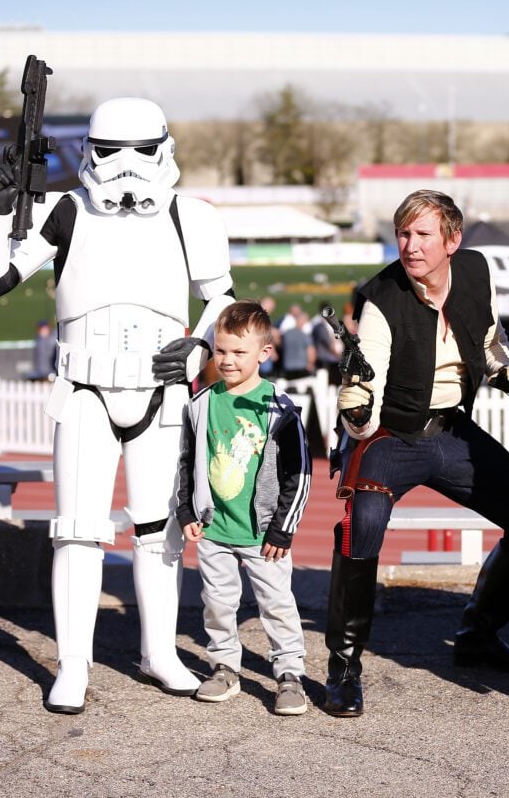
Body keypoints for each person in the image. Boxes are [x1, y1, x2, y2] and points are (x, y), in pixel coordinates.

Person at [0, 97, 235, 714]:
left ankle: (160, 653)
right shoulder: (67, 210)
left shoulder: (192, 216)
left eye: (141, 149)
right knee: (78, 533)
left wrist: (200, 349)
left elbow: (222, 298)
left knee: (158, 532)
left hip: (159, 391)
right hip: (84, 388)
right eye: (110, 149)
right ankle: (73, 666)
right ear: (89, 148)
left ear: (164, 148)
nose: (125, 165)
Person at [322, 189, 509, 718]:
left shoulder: (476, 269)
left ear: (452, 241)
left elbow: (488, 328)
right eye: (403, 233)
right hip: (389, 437)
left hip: (452, 431)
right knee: (360, 530)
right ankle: (342, 667)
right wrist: (356, 411)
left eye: (422, 234)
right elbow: (368, 375)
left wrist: (498, 365)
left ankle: (478, 635)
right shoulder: (380, 298)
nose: (409, 245)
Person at [176, 299, 311, 715]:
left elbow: (299, 474)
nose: (228, 360)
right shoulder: (200, 404)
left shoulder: (280, 409)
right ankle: (224, 667)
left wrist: (282, 529)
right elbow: (185, 463)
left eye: (239, 352)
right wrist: (186, 512)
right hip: (214, 530)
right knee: (217, 604)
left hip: (264, 534)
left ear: (263, 354)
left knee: (277, 605)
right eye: (221, 350)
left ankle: (289, 675)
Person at [277, 304, 316, 382]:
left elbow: (279, 344)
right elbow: (311, 351)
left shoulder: (286, 334)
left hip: (287, 367)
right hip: (302, 368)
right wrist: (311, 364)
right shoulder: (305, 335)